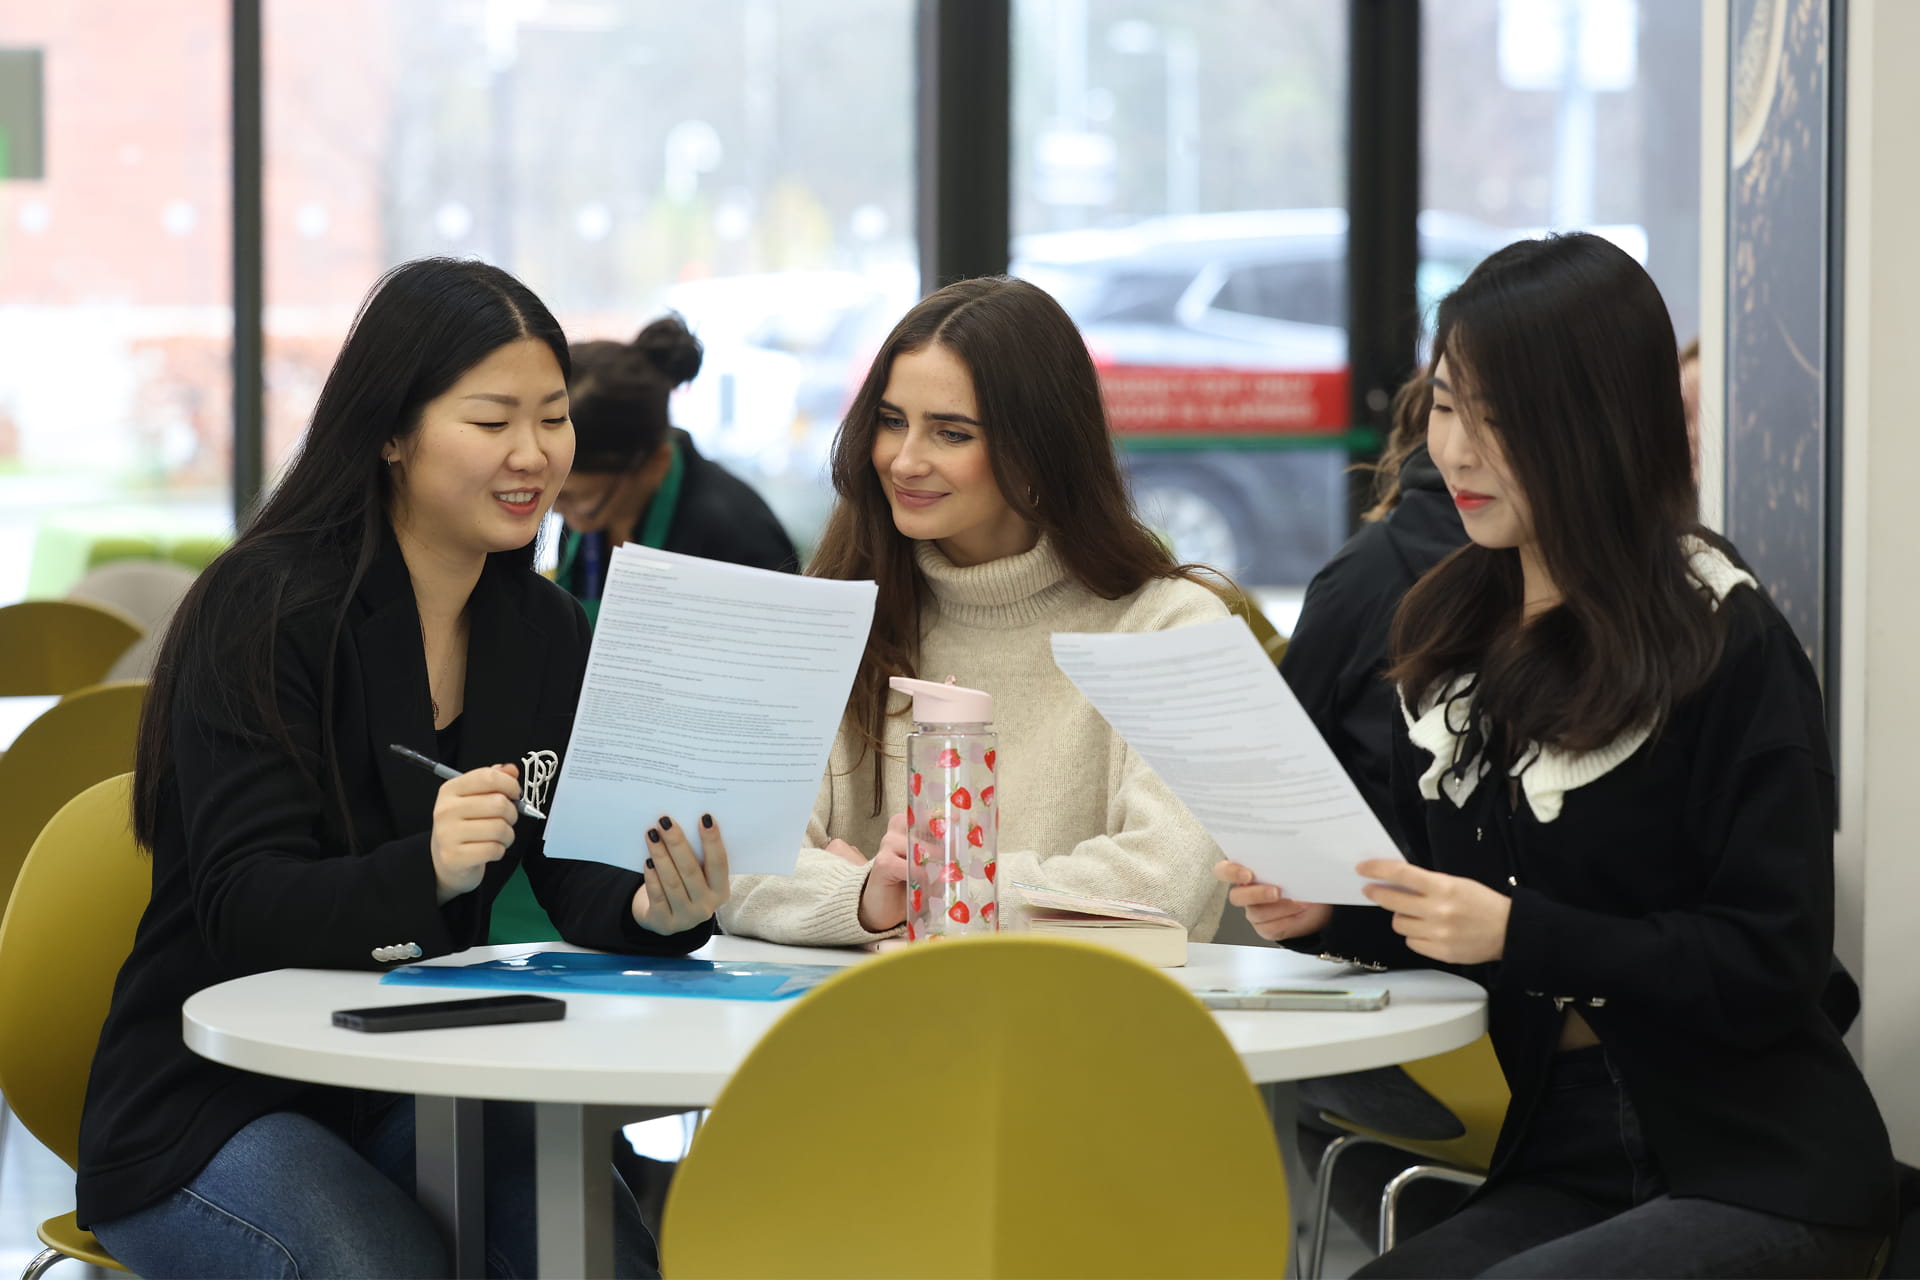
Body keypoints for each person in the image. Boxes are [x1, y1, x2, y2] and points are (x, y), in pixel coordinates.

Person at [1219, 233, 1894, 1278]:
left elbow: (1772, 956)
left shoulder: (1720, 629)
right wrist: (1332, 913)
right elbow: (1450, 925)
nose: (1459, 451)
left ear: (1603, 423)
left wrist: (1523, 932)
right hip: (1566, 1153)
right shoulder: (1442, 632)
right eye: (1447, 405)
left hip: (1759, 1161)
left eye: (1503, 419)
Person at [79, 258, 731, 1279]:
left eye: (552, 418)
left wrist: (655, 904)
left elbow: (573, 873)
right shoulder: (265, 608)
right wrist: (421, 868)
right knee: (383, 1265)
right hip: (210, 1099)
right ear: (391, 433)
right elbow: (242, 902)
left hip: (414, 1075)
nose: (533, 455)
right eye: (490, 421)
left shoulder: (544, 628)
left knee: (583, 1243)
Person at [719, 275, 1231, 946]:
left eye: (951, 433)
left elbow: (1164, 885)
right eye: (892, 422)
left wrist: (936, 889)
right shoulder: (836, 617)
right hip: (861, 1031)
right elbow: (736, 870)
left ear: (1039, 449)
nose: (903, 461)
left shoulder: (1174, 626)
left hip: (1096, 1033)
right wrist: (870, 897)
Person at [551, 315, 798, 629]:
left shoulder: (738, 535)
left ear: (655, 464)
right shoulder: (589, 516)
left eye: (574, 498)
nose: (557, 510)